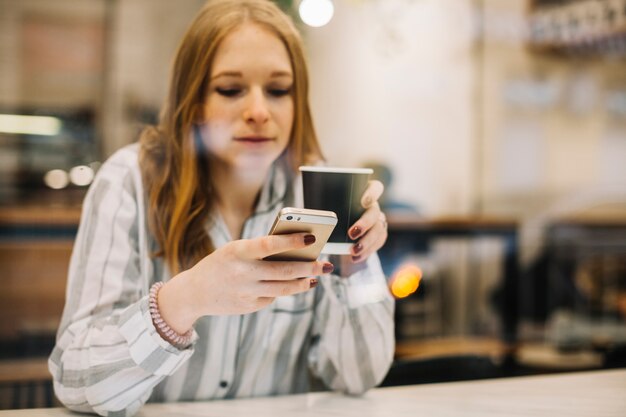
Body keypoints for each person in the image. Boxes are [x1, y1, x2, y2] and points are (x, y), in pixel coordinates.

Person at [48, 1, 394, 416]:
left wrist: (356, 262)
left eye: (279, 90)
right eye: (230, 90)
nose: (259, 112)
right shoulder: (129, 181)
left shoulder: (317, 192)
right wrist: (185, 299)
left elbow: (361, 376)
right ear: (193, 103)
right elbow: (77, 381)